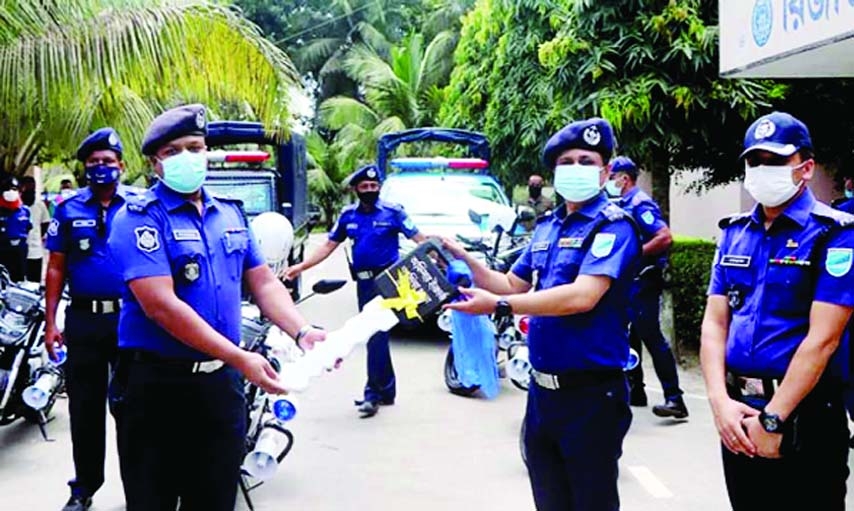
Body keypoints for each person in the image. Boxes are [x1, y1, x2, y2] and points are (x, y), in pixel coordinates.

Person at [107, 104, 327, 511]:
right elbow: (162, 307)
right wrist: (240, 356)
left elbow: (262, 282)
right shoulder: (137, 220)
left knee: (214, 500)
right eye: (174, 152)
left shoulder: (231, 214)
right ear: (155, 164)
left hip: (219, 388)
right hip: (156, 387)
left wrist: (302, 331)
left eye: (195, 146)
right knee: (151, 501)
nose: (188, 157)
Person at [443, 118, 641, 510]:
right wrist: (462, 256)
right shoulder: (548, 227)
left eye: (587, 160)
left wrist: (498, 306)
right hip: (542, 395)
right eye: (567, 161)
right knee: (549, 501)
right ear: (554, 172)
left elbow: (581, 297)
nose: (576, 168)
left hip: (591, 395)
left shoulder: (613, 227)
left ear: (605, 171)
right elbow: (511, 283)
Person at [700, 111, 854, 510]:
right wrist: (718, 400)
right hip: (739, 413)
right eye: (754, 162)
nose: (761, 170)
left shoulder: (835, 233)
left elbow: (823, 340)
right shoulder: (735, 233)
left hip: (805, 415)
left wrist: (774, 418)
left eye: (774, 161)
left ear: (805, 168)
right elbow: (715, 324)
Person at [285, 164, 425, 418]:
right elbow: (328, 246)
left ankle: (373, 393)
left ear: (379, 187)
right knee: (376, 335)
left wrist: (439, 256)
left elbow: (419, 239)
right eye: (365, 187)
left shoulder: (394, 212)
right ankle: (387, 390)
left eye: (374, 186)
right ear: (356, 189)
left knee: (375, 335)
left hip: (389, 282)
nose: (370, 190)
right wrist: (301, 267)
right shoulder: (349, 216)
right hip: (364, 284)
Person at [43, 127, 134, 511]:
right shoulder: (67, 209)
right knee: (84, 408)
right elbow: (55, 269)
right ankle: (84, 489)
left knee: (134, 408)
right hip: (83, 321)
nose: (101, 169)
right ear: (84, 168)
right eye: (94, 163)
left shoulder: (139, 206)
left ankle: (142, 490)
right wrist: (51, 323)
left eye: (108, 163)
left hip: (131, 320)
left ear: (122, 167)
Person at [605, 156, 688, 418]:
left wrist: (633, 254)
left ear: (624, 178)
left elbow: (664, 236)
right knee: (630, 337)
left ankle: (675, 398)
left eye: (612, 177)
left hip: (644, 280)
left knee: (651, 337)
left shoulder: (640, 204)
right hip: (631, 282)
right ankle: (636, 390)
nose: (609, 181)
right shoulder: (623, 204)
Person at [0, 175, 31, 281]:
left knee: (19, 280)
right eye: (8, 188)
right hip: (3, 249)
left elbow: (28, 227)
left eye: (14, 189)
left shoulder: (25, 210)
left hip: (19, 250)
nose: (11, 191)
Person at [20, 175, 50, 284]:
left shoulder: (39, 204)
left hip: (35, 250)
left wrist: (40, 236)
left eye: (31, 187)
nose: (29, 189)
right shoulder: (16, 205)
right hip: (19, 251)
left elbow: (46, 222)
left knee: (34, 283)